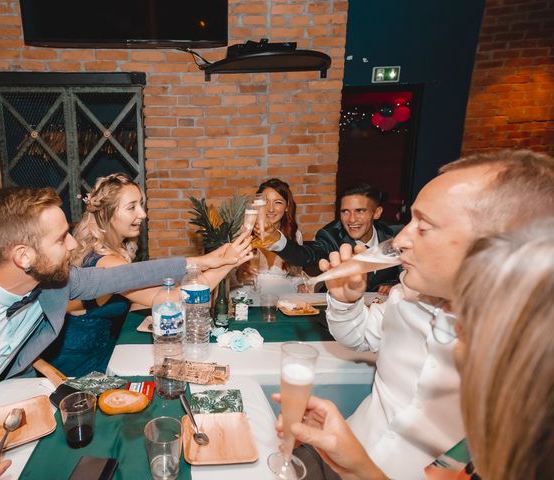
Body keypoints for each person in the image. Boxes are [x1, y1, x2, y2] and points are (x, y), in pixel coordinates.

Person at [0, 186, 251, 480]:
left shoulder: (52, 280)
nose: (74, 242)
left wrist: (203, 261)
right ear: (23, 256)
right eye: (61, 238)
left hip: (6, 417)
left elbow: (124, 277)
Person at [290, 150, 554, 479]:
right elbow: (360, 337)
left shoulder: (524, 371)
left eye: (424, 227)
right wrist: (346, 302)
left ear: (493, 245)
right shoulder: (405, 294)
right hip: (341, 452)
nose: (399, 240)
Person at [44, 173, 250, 376]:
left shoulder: (110, 252)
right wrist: (227, 264)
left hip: (104, 352)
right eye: (132, 207)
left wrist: (216, 261)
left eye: (141, 205)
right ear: (106, 214)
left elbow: (150, 290)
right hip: (82, 368)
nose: (142, 214)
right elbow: (172, 299)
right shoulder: (106, 261)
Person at [264, 183, 400, 293]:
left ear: (377, 213)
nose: (352, 219)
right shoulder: (331, 236)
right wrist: (276, 239)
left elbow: (407, 271)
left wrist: (395, 285)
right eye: (345, 211)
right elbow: (305, 255)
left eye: (360, 211)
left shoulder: (395, 236)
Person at [234, 178, 305, 299]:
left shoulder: (294, 234)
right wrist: (239, 273)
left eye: (278, 202)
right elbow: (228, 275)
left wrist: (300, 284)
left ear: (287, 207)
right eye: (265, 202)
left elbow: (295, 273)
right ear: (257, 205)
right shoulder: (244, 232)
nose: (271, 209)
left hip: (281, 292)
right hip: (248, 291)